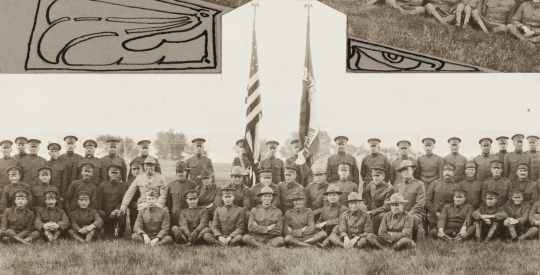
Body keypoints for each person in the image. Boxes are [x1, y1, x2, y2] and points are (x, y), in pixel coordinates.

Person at [394, 160, 426, 240]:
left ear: (412, 170)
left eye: (407, 169)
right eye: (402, 170)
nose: (405, 172)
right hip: (400, 212)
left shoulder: (419, 184)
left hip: (415, 213)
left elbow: (420, 203)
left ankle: (413, 240)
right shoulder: (398, 186)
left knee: (413, 219)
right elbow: (395, 202)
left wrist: (408, 214)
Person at [96, 164, 129, 239]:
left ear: (119, 174)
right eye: (112, 172)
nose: (114, 174)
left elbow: (124, 201)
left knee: (122, 213)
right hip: (105, 212)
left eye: (116, 173)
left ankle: (120, 234)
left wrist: (116, 210)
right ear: (108, 173)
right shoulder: (102, 186)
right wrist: (102, 213)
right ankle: (103, 231)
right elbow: (99, 201)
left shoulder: (122, 186)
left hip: (116, 211)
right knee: (108, 235)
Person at [426, 163, 461, 230]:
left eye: (449, 171)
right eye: (445, 171)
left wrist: (450, 214)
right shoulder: (435, 183)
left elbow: (458, 202)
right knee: (434, 232)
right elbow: (427, 200)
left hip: (450, 216)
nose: (447, 173)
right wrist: (435, 212)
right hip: (435, 215)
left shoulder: (456, 185)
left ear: (453, 173)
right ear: (442, 173)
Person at [313, 184, 348, 248]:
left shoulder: (343, 208)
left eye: (334, 195)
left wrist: (325, 222)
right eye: (330, 195)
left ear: (338, 197)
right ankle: (306, 244)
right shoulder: (325, 208)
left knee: (337, 227)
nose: (332, 197)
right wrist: (318, 225)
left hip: (337, 233)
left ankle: (325, 243)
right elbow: (320, 220)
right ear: (327, 197)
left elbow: (340, 221)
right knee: (314, 230)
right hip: (326, 232)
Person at [167, 161, 197, 231]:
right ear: (176, 173)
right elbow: (169, 201)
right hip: (174, 216)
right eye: (178, 172)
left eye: (182, 172)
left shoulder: (192, 185)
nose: (180, 174)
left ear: (186, 172)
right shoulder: (171, 185)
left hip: (188, 216)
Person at [366, 167, 394, 234]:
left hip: (383, 212)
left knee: (380, 216)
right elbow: (366, 194)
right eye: (374, 176)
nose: (375, 178)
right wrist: (368, 206)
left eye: (378, 176)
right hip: (372, 210)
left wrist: (373, 212)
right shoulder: (371, 184)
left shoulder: (389, 189)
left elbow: (387, 207)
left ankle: (378, 234)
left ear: (383, 177)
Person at [125, 160, 143, 233]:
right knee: (134, 210)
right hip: (133, 205)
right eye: (134, 169)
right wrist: (135, 204)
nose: (136, 171)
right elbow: (126, 198)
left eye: (138, 169)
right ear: (131, 171)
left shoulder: (146, 181)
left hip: (145, 203)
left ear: (142, 169)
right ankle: (134, 230)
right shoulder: (127, 184)